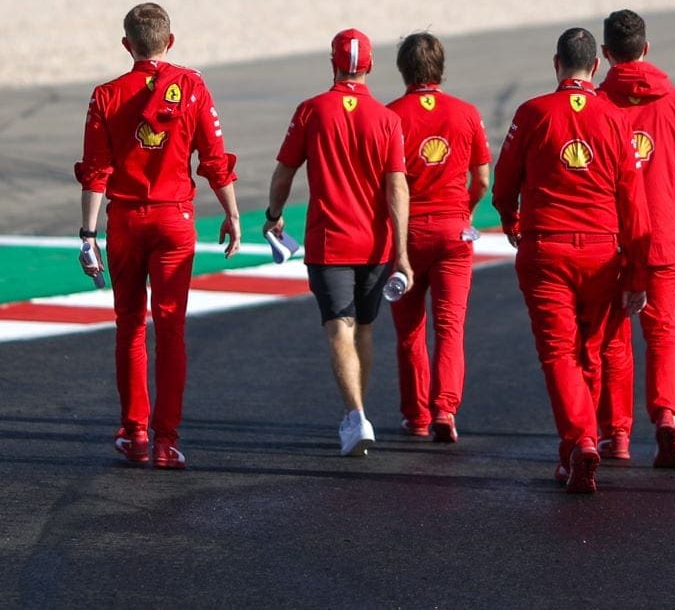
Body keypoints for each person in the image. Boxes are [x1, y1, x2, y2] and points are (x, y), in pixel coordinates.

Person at [74, 2, 242, 470]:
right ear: (170, 42)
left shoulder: (105, 95)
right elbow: (214, 157)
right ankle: (168, 441)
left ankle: (135, 432)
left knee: (129, 327)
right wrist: (231, 214)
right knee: (171, 330)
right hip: (175, 221)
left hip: (126, 221)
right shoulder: (191, 86)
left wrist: (87, 234)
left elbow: (96, 172)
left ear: (128, 45)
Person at [493, 27, 652, 495]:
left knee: (558, 353)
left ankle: (580, 441)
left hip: (546, 249)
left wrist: (509, 218)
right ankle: (581, 444)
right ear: (596, 66)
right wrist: (637, 270)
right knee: (590, 351)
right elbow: (633, 202)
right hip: (603, 251)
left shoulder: (533, 112)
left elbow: (505, 180)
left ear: (556, 63)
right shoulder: (615, 118)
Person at [263, 29, 412, 457]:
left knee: (339, 331)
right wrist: (401, 252)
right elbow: (397, 188)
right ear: (369, 66)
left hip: (330, 242)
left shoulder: (311, 111)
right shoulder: (387, 119)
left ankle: (355, 415)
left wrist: (274, 217)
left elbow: (284, 173)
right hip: (376, 244)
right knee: (362, 331)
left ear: (332, 63)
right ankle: (357, 415)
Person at [592, 9, 675, 469]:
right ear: (646, 48)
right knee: (663, 332)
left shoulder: (598, 103)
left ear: (606, 55)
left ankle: (616, 434)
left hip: (611, 237)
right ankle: (666, 416)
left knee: (612, 339)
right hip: (663, 234)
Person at [385, 33, 492, 444]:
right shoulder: (466, 113)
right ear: (440, 68)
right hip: (453, 230)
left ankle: (416, 416)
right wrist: (464, 209)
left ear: (403, 69)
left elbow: (385, 184)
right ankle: (445, 409)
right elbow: (482, 178)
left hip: (408, 235)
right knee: (450, 327)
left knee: (409, 330)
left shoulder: (391, 116)